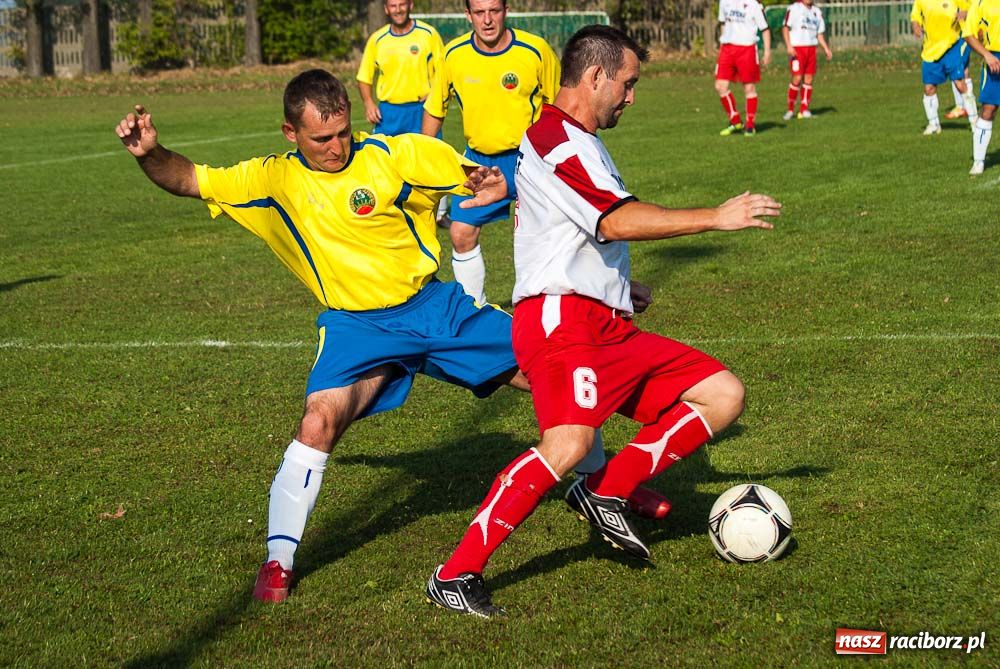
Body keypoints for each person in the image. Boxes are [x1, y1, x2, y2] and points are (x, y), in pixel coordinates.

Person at [114, 69, 522, 604]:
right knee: (317, 420)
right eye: (321, 139)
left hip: (431, 307)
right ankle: (278, 563)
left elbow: (466, 172)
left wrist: (483, 180)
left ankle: (603, 481)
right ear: (291, 133)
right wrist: (150, 153)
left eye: (343, 133)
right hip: (358, 328)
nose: (336, 148)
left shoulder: (390, 156)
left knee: (549, 370)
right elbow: (191, 178)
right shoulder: (272, 179)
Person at [426, 25, 781, 618]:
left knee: (722, 394)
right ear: (594, 76)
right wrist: (715, 217)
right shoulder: (560, 140)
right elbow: (614, 220)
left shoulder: (577, 140)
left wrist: (615, 286)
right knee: (568, 443)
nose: (631, 96)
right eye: (628, 82)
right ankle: (455, 573)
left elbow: (571, 225)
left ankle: (609, 489)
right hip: (562, 323)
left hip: (604, 321)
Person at [422, 0, 559, 307]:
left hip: (530, 159)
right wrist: (422, 162)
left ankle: (547, 306)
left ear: (505, 11)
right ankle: (477, 310)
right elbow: (434, 110)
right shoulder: (453, 55)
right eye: (479, 13)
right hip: (478, 162)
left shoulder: (535, 51)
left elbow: (561, 105)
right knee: (461, 233)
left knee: (542, 236)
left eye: (494, 11)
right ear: (468, 15)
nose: (487, 20)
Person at [357, 0, 452, 228]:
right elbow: (364, 77)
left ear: (410, 5)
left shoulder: (428, 35)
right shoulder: (378, 40)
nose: (398, 9)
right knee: (383, 159)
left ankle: (440, 214)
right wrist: (369, 102)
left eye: (402, 4)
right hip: (389, 111)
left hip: (422, 110)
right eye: (393, 5)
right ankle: (384, 208)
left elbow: (444, 69)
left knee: (432, 156)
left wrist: (433, 92)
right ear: (386, 9)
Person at [911, 0, 979, 135]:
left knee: (960, 84)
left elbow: (975, 8)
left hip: (952, 47)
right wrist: (916, 26)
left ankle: (974, 121)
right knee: (929, 88)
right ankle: (933, 124)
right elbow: (915, 16)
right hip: (931, 50)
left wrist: (965, 13)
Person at [715, 0, 772, 136]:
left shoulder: (754, 5)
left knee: (749, 87)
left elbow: (765, 29)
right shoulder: (724, 2)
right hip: (727, 48)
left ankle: (750, 125)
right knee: (720, 86)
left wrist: (767, 52)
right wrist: (722, 43)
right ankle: (735, 121)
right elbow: (723, 23)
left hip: (747, 49)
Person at [964, 0, 1000, 174]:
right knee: (988, 109)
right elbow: (968, 34)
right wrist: (986, 55)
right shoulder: (980, 3)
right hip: (995, 60)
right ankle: (978, 161)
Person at [781, 0, 833, 121]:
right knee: (797, 78)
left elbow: (819, 34)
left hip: (811, 49)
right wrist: (788, 45)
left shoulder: (817, 12)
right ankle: (790, 109)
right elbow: (785, 27)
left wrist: (826, 48)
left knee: (809, 79)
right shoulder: (794, 8)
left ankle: (804, 110)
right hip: (798, 49)